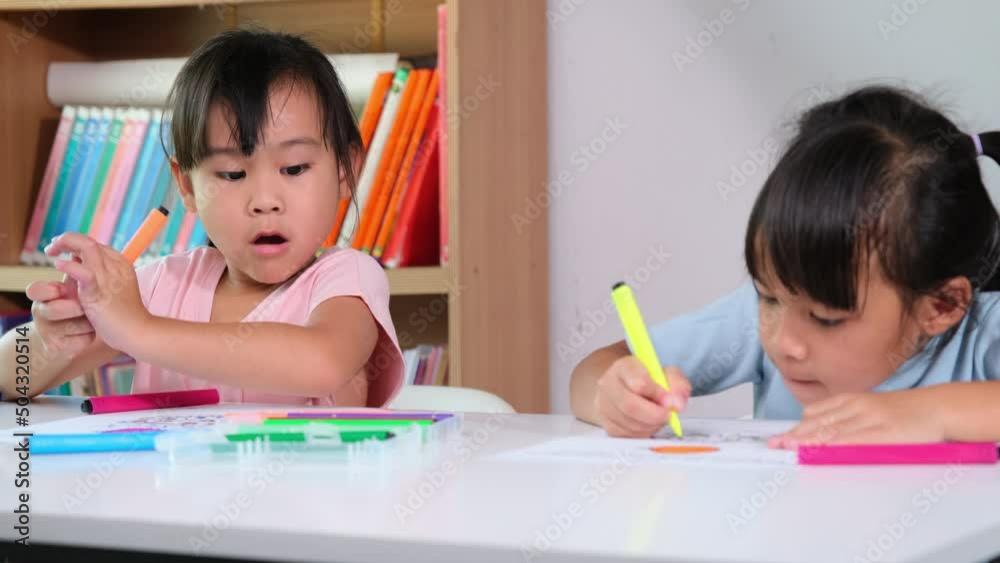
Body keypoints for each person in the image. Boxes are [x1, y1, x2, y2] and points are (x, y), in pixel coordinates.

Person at [570, 85, 1000, 447]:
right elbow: (593, 371)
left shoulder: (982, 335)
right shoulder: (761, 317)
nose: (784, 342)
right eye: (769, 298)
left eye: (827, 318)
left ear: (942, 305)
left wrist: (929, 413)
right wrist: (617, 399)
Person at [0, 30, 404, 407]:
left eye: (294, 168)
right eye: (232, 174)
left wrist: (141, 330)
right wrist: (52, 339)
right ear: (188, 186)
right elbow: (9, 376)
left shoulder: (347, 280)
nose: (265, 201)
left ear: (344, 170)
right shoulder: (163, 286)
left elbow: (323, 363)